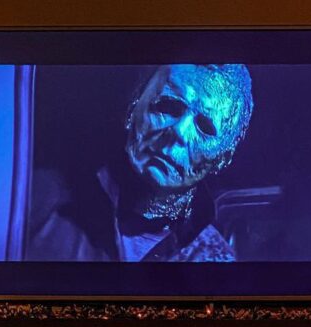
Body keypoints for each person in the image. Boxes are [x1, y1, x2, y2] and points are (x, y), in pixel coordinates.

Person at [27, 63, 254, 263]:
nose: (178, 132)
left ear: (222, 159)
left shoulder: (213, 262)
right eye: (168, 106)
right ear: (132, 109)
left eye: (204, 127)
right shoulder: (36, 199)